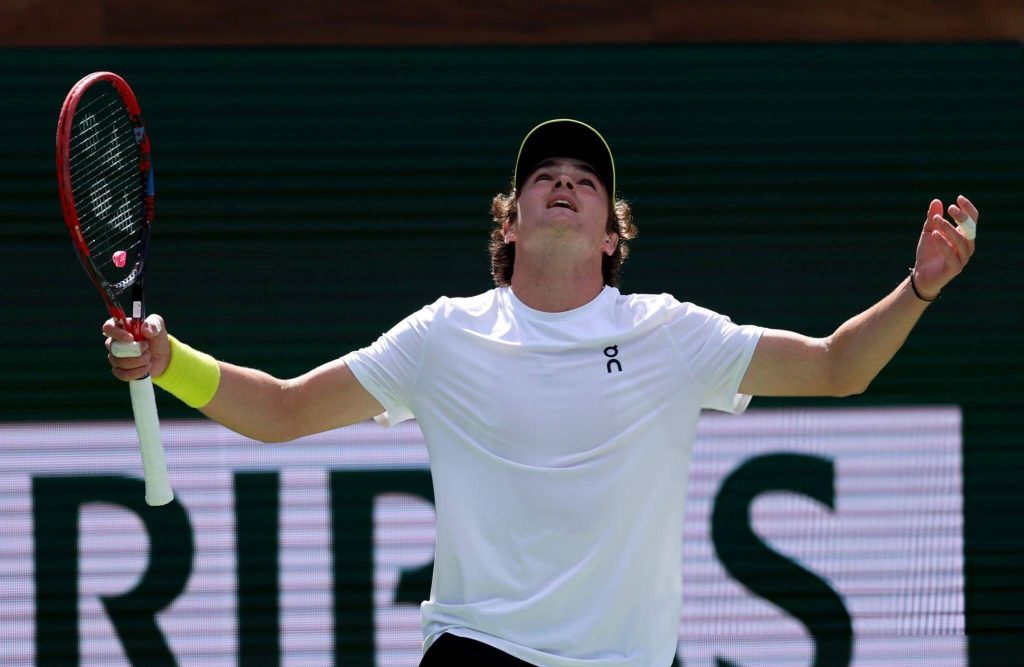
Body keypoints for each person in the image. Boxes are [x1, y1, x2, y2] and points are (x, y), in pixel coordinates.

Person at [104, 119, 978, 667]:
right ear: (511, 219)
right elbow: (285, 410)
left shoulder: (672, 333)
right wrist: (168, 358)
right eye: (544, 176)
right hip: (480, 651)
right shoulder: (444, 335)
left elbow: (835, 367)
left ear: (610, 235)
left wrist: (922, 285)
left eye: (586, 180)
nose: (564, 182)